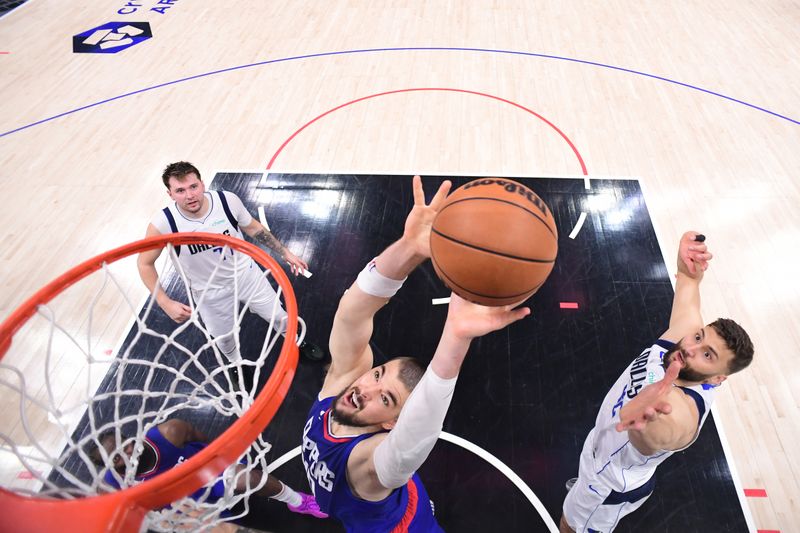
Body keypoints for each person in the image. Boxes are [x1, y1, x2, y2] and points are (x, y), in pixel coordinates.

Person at [301, 176, 531, 531]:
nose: (367, 389)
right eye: (378, 375)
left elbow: (410, 445)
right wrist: (409, 248)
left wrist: (455, 338)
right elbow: (352, 313)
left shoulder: (366, 461)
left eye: (387, 399)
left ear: (392, 424)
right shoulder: (343, 385)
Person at [560, 231, 755, 532]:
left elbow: (661, 433)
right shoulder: (683, 342)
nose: (691, 347)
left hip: (606, 485)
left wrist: (646, 422)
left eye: (707, 354)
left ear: (718, 378)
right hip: (600, 447)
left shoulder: (681, 413)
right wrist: (687, 264)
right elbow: (689, 287)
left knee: (569, 527)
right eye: (700, 336)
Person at [137, 161, 323, 365]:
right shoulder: (164, 224)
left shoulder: (226, 201)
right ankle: (235, 364)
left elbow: (253, 228)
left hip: (246, 274)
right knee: (224, 338)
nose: (190, 195)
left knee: (280, 316)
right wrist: (165, 302)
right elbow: (145, 263)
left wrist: (285, 252)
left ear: (202, 183)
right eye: (180, 190)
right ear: (170, 194)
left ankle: (297, 340)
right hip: (208, 291)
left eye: (193, 186)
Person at [85, 418, 327, 519]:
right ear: (108, 466)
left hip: (209, 476)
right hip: (187, 507)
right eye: (117, 458)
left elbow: (203, 441)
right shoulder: (111, 488)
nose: (127, 453)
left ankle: (296, 500)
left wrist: (220, 458)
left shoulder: (169, 432)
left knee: (250, 478)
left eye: (126, 445)